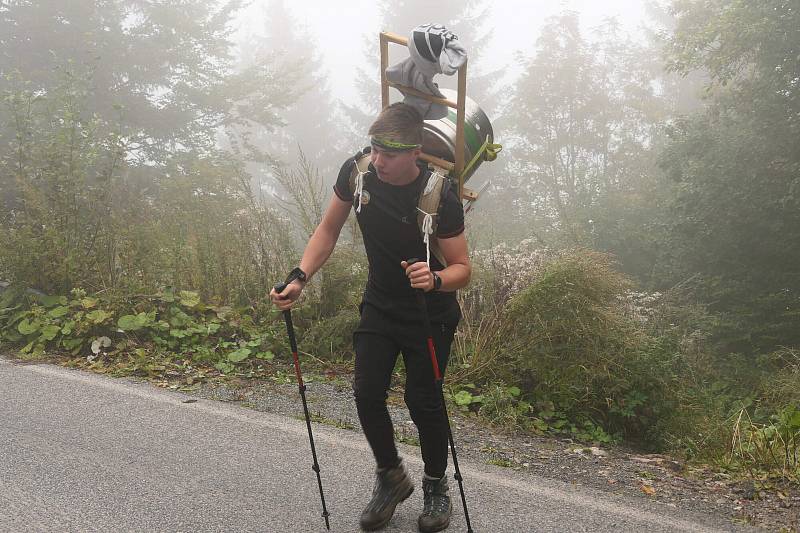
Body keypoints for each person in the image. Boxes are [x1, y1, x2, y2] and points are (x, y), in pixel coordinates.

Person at [270, 102, 470, 533]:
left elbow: (462, 269)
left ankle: (436, 487)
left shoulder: (439, 195)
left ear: (414, 152)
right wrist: (300, 276)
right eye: (375, 148)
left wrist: (434, 278)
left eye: (390, 153)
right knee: (365, 392)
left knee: (424, 401)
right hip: (380, 303)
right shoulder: (357, 172)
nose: (378, 160)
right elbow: (328, 230)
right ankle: (391, 477)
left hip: (428, 313)